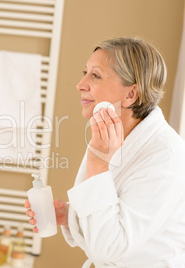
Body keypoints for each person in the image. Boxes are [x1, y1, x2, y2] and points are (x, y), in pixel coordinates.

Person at [25, 37, 185, 267]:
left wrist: (98, 163)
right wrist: (71, 217)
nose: (80, 84)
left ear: (131, 94)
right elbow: (119, 214)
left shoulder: (166, 156)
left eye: (95, 75)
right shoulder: (113, 135)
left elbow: (109, 248)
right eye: (85, 72)